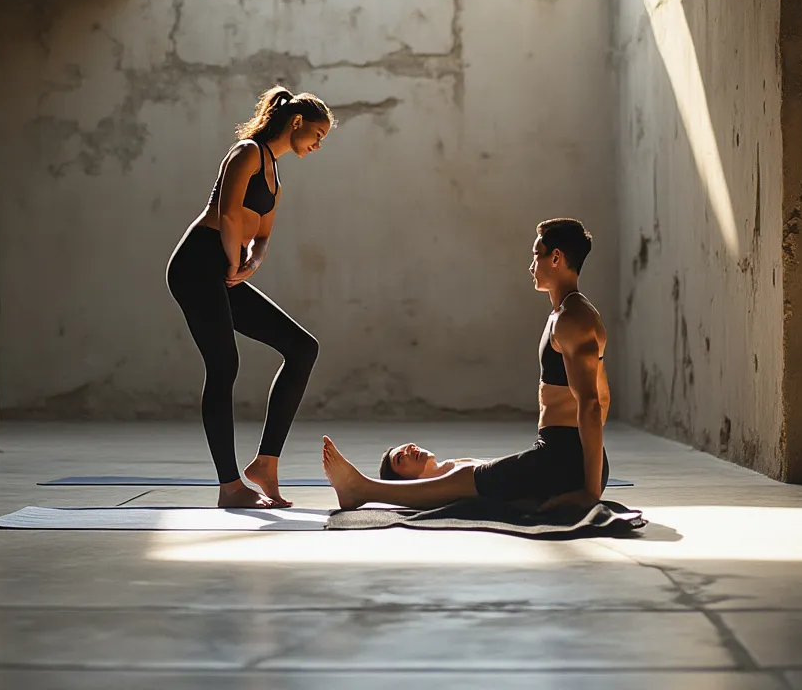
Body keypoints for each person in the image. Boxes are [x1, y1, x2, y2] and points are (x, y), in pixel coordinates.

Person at [323, 218, 610, 512]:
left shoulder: (573, 319)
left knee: (465, 478)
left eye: (536, 255)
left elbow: (591, 403)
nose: (530, 266)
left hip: (561, 459)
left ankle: (361, 490)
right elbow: (603, 396)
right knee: (482, 480)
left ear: (557, 258)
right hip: (561, 456)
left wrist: (589, 490)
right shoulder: (568, 314)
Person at [167, 86, 336, 509]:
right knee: (224, 365)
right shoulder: (246, 152)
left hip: (226, 267)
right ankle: (229, 487)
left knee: (302, 348)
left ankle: (265, 463)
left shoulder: (276, 176)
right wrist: (232, 261)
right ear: (296, 123)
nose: (318, 145)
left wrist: (250, 264)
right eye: (317, 134)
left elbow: (262, 236)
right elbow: (226, 213)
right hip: (197, 263)